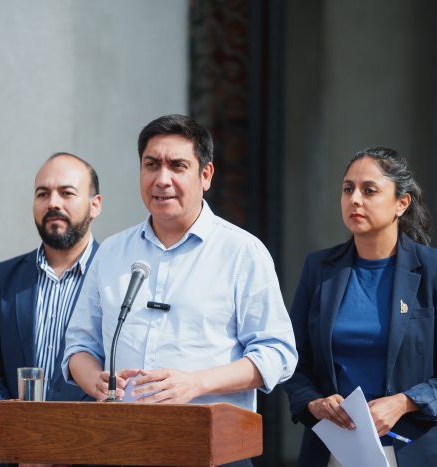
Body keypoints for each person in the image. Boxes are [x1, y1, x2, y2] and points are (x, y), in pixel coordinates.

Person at [62, 114, 298, 467]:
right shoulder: (111, 252)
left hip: (213, 451)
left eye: (177, 166)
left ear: (206, 175)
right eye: (151, 165)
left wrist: (196, 384)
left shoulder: (242, 252)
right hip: (120, 447)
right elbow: (79, 345)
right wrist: (94, 379)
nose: (162, 179)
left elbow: (277, 353)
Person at [284, 147, 437, 467]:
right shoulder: (319, 269)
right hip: (337, 452)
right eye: (347, 189)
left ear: (401, 203)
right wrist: (314, 402)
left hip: (421, 451)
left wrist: (405, 402)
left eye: (369, 190)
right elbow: (292, 360)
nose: (355, 199)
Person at [0, 153, 102, 467]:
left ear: (94, 205)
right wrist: (22, 439)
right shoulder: (2, 278)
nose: (53, 202)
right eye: (43, 193)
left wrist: (63, 446)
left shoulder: (118, 279)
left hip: (89, 454)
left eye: (67, 193)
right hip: (14, 457)